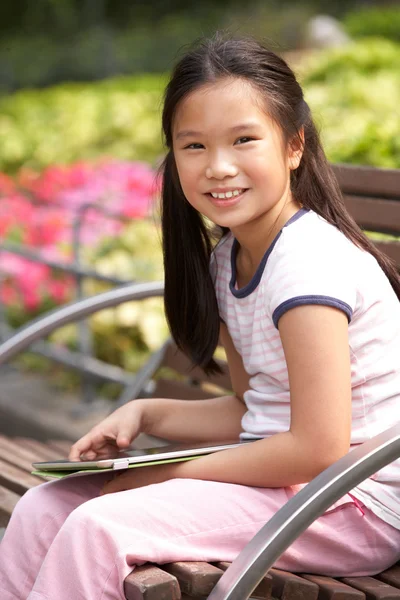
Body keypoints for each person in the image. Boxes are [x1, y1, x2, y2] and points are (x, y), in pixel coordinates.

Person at [1, 33, 400, 600]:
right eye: (194, 147)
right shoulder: (228, 258)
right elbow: (251, 406)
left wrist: (157, 475)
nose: (218, 167)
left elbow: (318, 446)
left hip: (352, 502)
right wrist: (146, 413)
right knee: (47, 506)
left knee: (98, 529)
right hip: (297, 484)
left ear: (293, 146)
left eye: (244, 140)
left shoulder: (307, 265)